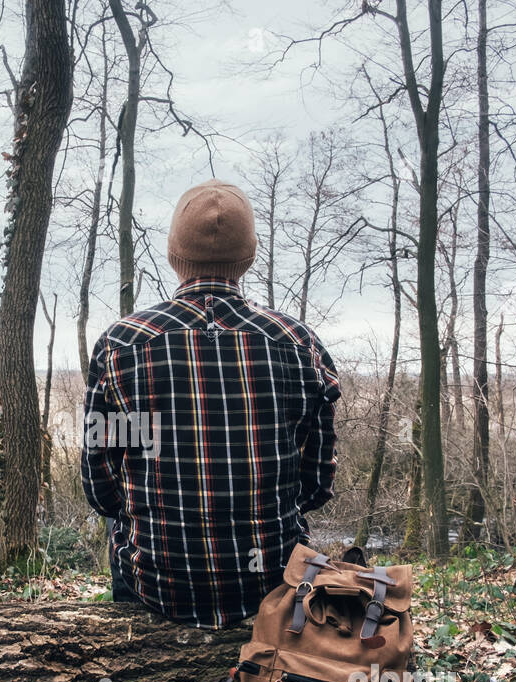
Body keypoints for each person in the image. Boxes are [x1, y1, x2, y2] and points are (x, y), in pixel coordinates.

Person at [82, 178, 341, 628]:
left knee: (125, 512)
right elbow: (316, 485)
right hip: (270, 584)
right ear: (248, 257)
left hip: (155, 585)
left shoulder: (121, 344)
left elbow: (100, 488)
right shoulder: (301, 345)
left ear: (174, 255)